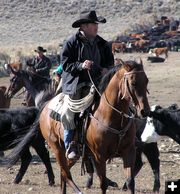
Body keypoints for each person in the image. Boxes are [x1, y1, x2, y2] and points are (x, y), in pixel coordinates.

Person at [60, 10, 114, 160]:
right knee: (67, 113)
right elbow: (65, 65)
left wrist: (107, 70)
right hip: (76, 84)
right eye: (93, 24)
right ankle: (70, 143)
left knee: (121, 102)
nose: (96, 27)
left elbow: (111, 63)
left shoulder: (103, 44)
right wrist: (80, 65)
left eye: (97, 24)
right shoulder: (71, 42)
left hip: (98, 83)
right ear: (83, 26)